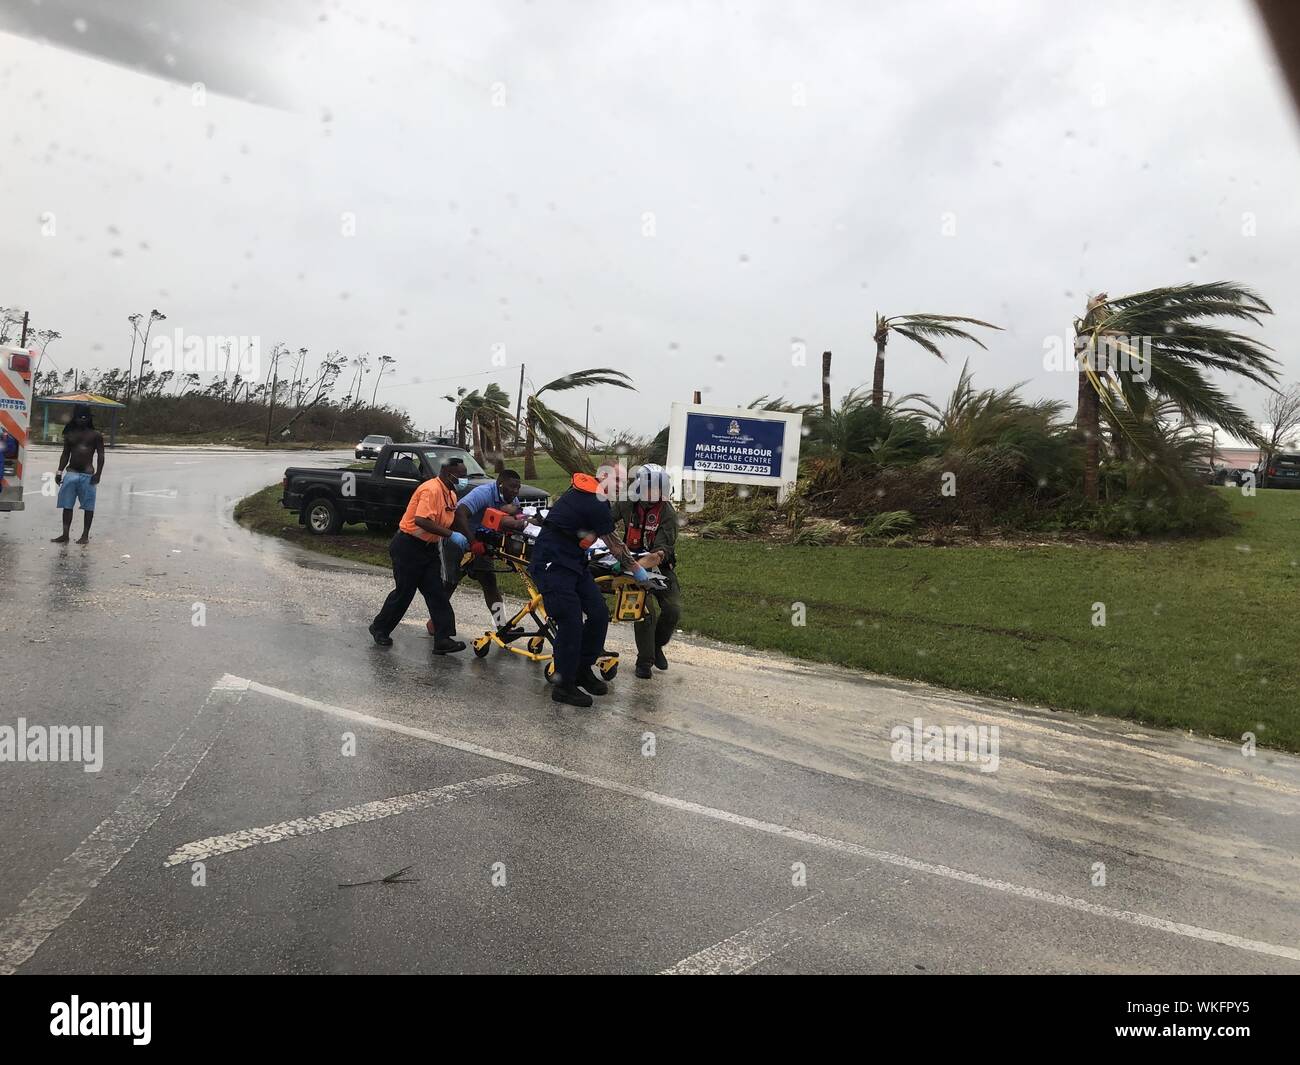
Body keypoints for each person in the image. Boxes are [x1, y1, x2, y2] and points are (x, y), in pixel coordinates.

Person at [530, 471, 652, 707]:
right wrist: (637, 570)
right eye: (616, 480)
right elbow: (614, 543)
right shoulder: (591, 500)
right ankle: (563, 685)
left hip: (575, 563)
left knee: (598, 614)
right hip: (552, 564)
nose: (621, 485)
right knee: (571, 621)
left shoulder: (595, 497)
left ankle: (582, 669)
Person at [370, 456, 469, 654]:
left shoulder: (450, 493)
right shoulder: (431, 489)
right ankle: (380, 628)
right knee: (404, 592)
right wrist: (451, 535)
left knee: (437, 592)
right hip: (408, 546)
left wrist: (469, 538)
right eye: (460, 476)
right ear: (447, 473)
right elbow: (422, 520)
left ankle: (443, 639)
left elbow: (451, 519)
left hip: (428, 548)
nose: (463, 480)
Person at [613, 464, 682, 679]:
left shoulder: (668, 513)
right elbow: (603, 522)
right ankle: (645, 660)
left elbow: (660, 553)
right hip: (631, 562)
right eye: (651, 487)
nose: (656, 493)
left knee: (673, 609)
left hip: (658, 565)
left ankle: (656, 645)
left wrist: (636, 566)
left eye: (660, 488)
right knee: (644, 610)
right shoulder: (626, 503)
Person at [445, 467, 528, 631]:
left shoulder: (513, 502)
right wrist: (472, 541)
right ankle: (436, 624)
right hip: (461, 540)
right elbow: (459, 514)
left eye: (518, 488)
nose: (515, 491)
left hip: (484, 546)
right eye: (512, 487)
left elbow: (511, 528)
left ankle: (502, 626)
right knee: (450, 584)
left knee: (490, 584)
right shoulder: (483, 493)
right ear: (500, 484)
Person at [52, 404, 105, 545]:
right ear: (74, 419)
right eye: (79, 418)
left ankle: (85, 535)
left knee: (88, 506)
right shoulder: (70, 434)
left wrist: (98, 474)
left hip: (88, 476)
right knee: (67, 505)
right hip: (71, 473)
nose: (82, 420)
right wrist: (59, 471)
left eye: (85, 418)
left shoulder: (96, 435)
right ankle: (65, 534)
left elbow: (101, 455)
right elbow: (65, 454)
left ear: (89, 419)